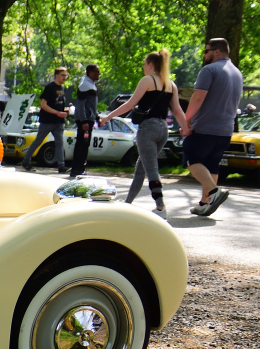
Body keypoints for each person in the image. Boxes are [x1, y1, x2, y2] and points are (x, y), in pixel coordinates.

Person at [100, 51, 187, 220]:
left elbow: (130, 104)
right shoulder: (171, 84)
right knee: (142, 167)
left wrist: (109, 116)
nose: (143, 68)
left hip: (147, 128)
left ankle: (160, 206)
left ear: (151, 65)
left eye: (144, 64)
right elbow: (177, 110)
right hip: (163, 129)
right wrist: (185, 128)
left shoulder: (147, 81)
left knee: (151, 168)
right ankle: (128, 202)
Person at [182, 37, 244, 216]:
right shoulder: (237, 73)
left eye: (207, 51)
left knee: (190, 158)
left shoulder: (209, 70)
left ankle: (214, 192)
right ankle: (205, 202)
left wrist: (187, 120)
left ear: (217, 51)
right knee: (212, 165)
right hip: (226, 129)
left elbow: (198, 97)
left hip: (205, 127)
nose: (204, 54)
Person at [22, 67, 69, 172]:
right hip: (47, 120)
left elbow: (58, 104)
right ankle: (26, 161)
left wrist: (64, 111)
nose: (64, 77)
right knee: (38, 141)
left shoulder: (62, 88)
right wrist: (57, 112)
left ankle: (61, 165)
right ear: (56, 75)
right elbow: (43, 105)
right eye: (62, 75)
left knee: (59, 143)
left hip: (59, 121)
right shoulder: (50, 87)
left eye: (66, 75)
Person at [68, 64, 100, 178]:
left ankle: (80, 168)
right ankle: (77, 169)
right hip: (85, 121)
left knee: (85, 144)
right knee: (82, 144)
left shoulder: (90, 84)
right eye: (97, 71)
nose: (99, 74)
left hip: (88, 119)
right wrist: (84, 121)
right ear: (90, 72)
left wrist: (97, 117)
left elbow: (91, 105)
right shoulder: (85, 85)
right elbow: (81, 105)